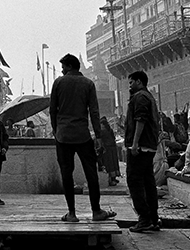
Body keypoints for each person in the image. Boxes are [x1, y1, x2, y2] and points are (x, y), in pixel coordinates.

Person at [49, 53, 114, 223]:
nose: (62, 70)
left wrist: (57, 130)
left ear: (70, 66)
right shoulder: (88, 84)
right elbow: (94, 111)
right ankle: (96, 211)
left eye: (63, 67)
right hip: (82, 135)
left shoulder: (58, 83)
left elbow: (52, 111)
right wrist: (98, 135)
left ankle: (71, 213)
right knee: (91, 173)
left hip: (63, 136)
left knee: (66, 174)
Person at [125, 69, 160, 232]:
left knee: (134, 181)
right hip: (149, 146)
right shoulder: (148, 96)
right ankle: (153, 218)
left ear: (139, 82)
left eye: (131, 82)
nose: (129, 86)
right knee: (148, 182)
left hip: (140, 146)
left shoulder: (140, 97)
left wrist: (134, 143)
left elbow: (141, 120)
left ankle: (144, 218)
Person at [98, 116, 120, 185]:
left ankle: (111, 180)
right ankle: (114, 178)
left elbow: (99, 138)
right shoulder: (109, 130)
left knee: (109, 164)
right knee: (113, 163)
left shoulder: (103, 131)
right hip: (112, 148)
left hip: (107, 149)